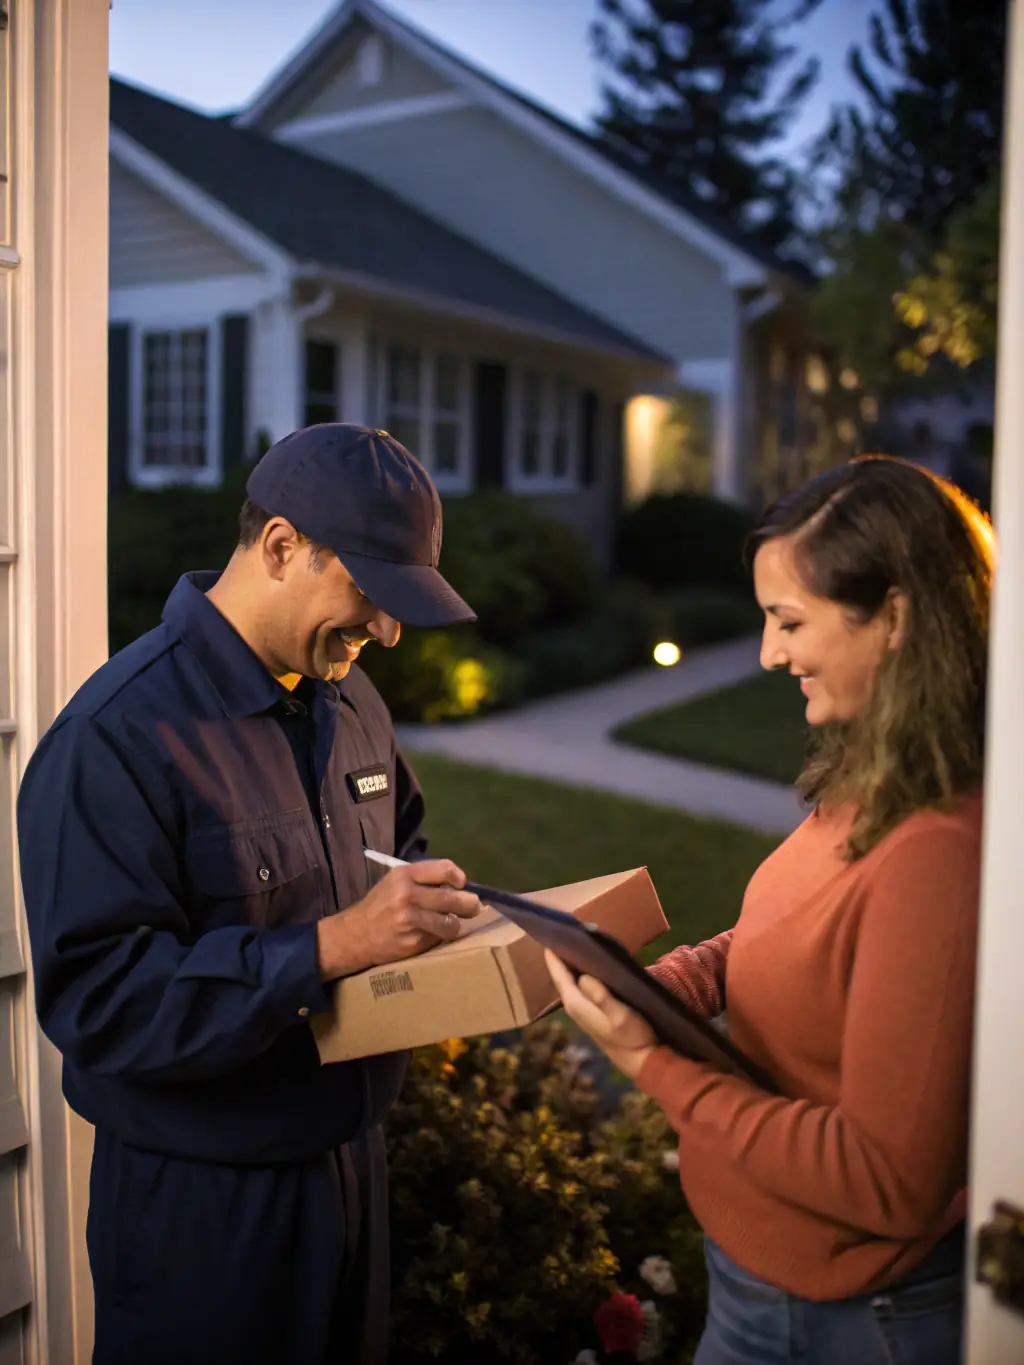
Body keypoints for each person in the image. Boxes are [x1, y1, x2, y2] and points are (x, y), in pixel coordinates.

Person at [17, 423, 484, 1365]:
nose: (387, 631)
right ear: (280, 546)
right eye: (372, 592)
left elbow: (402, 851)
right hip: (206, 1215)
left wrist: (446, 933)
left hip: (352, 1173)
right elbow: (103, 1004)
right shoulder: (116, 738)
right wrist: (330, 948)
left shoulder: (352, 703)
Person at [546, 455, 994, 1365]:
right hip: (761, 1284)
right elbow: (798, 933)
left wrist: (651, 1060)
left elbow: (886, 1180)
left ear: (897, 618)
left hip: (855, 1318)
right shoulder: (873, 779)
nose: (767, 653)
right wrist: (668, 984)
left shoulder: (938, 853)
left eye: (789, 620)